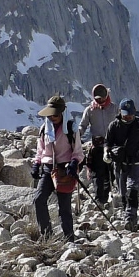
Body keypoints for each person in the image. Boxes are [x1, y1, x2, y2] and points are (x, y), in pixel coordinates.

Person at [31, 95, 83, 242]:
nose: (52, 117)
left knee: (64, 207)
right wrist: (36, 164)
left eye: (55, 114)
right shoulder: (44, 129)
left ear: (62, 113)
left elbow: (78, 151)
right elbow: (40, 150)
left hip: (65, 170)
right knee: (39, 199)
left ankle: (69, 238)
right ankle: (46, 235)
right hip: (48, 169)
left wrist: (74, 163)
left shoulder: (71, 128)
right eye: (50, 114)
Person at [105, 98, 139, 231]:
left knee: (133, 189)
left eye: (131, 114)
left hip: (136, 162)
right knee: (123, 192)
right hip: (120, 163)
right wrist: (107, 153)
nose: (128, 117)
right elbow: (108, 142)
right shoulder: (113, 125)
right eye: (126, 114)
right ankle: (131, 216)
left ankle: (129, 217)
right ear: (120, 112)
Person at [79, 84, 118, 204]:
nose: (99, 100)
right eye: (97, 98)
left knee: (111, 173)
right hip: (97, 146)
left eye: (101, 97)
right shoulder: (90, 110)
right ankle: (99, 199)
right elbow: (83, 125)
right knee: (97, 173)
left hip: (112, 144)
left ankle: (107, 196)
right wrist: (76, 136)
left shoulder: (114, 109)